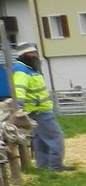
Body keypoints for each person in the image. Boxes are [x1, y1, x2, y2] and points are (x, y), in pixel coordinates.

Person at [11, 42, 72, 171]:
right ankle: (55, 165)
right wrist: (20, 106)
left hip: (36, 110)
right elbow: (19, 89)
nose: (34, 55)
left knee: (40, 139)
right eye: (30, 53)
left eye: (34, 52)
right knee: (56, 136)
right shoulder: (22, 70)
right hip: (38, 110)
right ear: (23, 55)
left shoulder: (28, 69)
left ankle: (43, 165)